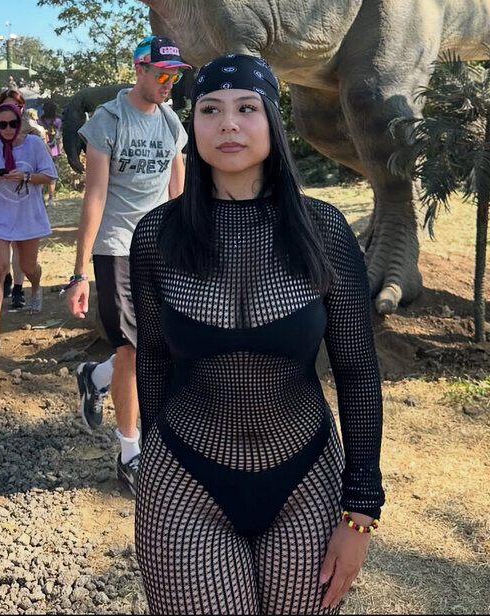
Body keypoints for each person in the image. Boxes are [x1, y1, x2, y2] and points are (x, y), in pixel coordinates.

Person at [129, 54, 384, 616]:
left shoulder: (324, 230)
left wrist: (361, 509)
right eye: (210, 110)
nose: (228, 124)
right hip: (185, 480)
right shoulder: (157, 235)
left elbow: (358, 371)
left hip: (307, 481)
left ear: (272, 119)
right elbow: (153, 358)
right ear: (192, 126)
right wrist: (151, 465)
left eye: (247, 108)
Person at [64, 35, 190, 496]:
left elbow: (178, 195)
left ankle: (94, 377)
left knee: (153, 347)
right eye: (161, 73)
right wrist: (80, 273)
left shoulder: (172, 124)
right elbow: (94, 196)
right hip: (116, 246)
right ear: (139, 70)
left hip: (158, 248)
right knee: (133, 351)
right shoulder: (108, 120)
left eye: (174, 75)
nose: (169, 82)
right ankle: (130, 453)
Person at [0, 100, 55, 352]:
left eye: (12, 124)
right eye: (3, 125)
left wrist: (26, 176)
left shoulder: (34, 145)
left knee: (28, 266)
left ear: (20, 123)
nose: (8, 129)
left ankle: (36, 287)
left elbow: (49, 176)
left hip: (28, 216)